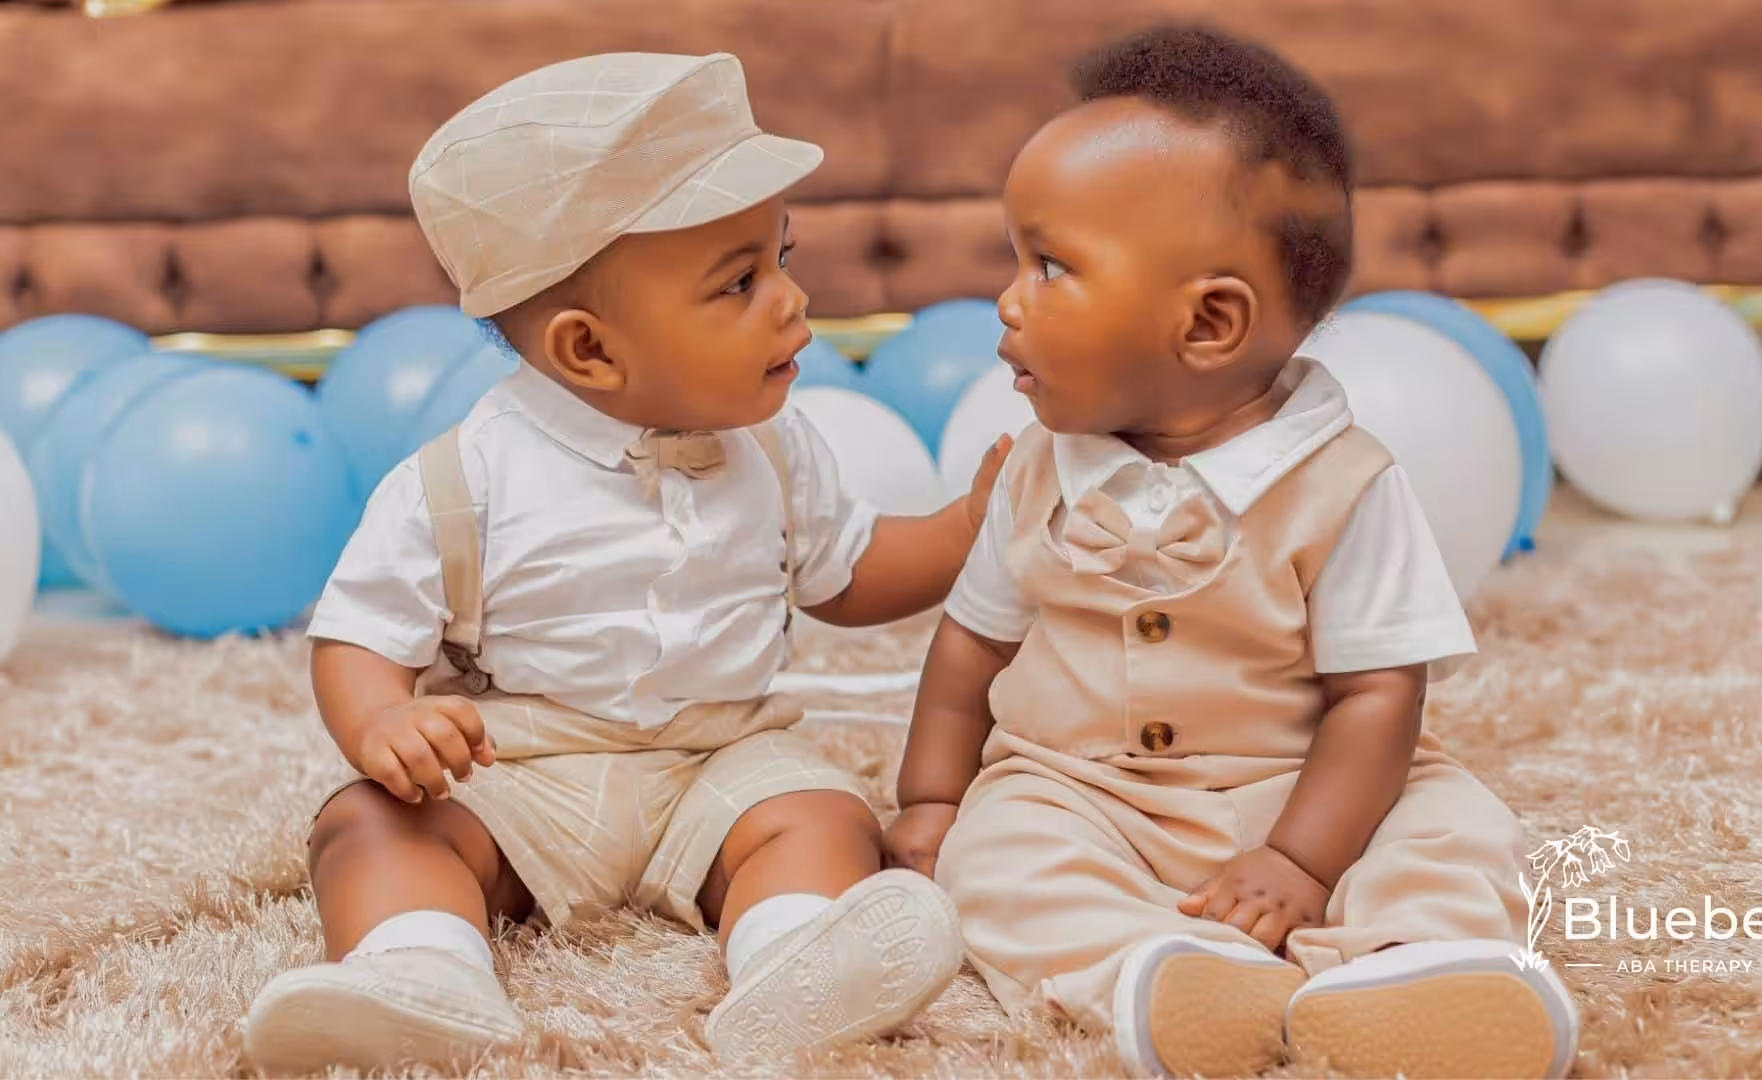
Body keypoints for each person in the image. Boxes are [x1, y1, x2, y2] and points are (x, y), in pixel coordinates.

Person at [243, 51, 1004, 1074]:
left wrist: (969, 524)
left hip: (719, 756)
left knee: (820, 814)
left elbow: (855, 573)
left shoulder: (777, 449)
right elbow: (357, 636)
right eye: (740, 283)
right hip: (521, 767)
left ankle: (795, 958)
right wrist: (384, 720)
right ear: (588, 351)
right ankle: (419, 971)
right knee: (370, 823)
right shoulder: (460, 478)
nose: (791, 301)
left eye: (780, 257)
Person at [882, 25, 1578, 1080]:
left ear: (1208, 324)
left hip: (1303, 783)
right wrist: (933, 800)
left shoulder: (1344, 485)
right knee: (998, 860)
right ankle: (1169, 978)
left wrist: (1303, 858)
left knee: (1453, 828)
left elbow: (1378, 698)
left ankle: (1422, 968)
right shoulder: (1035, 467)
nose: (1009, 299)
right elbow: (969, 652)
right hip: (1084, 789)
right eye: (1016, 261)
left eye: (1051, 266)